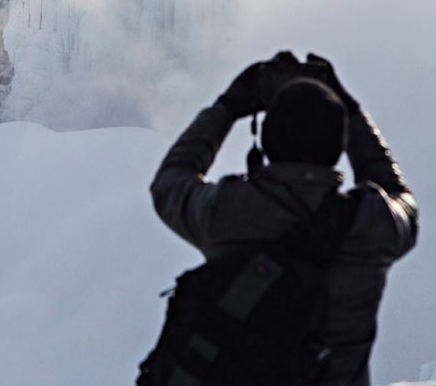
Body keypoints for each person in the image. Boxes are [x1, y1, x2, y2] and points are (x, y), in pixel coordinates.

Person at [147, 52, 417, 385]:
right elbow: (400, 198)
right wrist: (350, 110)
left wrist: (228, 107)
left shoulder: (230, 211)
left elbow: (170, 182)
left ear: (268, 141)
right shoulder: (371, 224)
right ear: (338, 145)